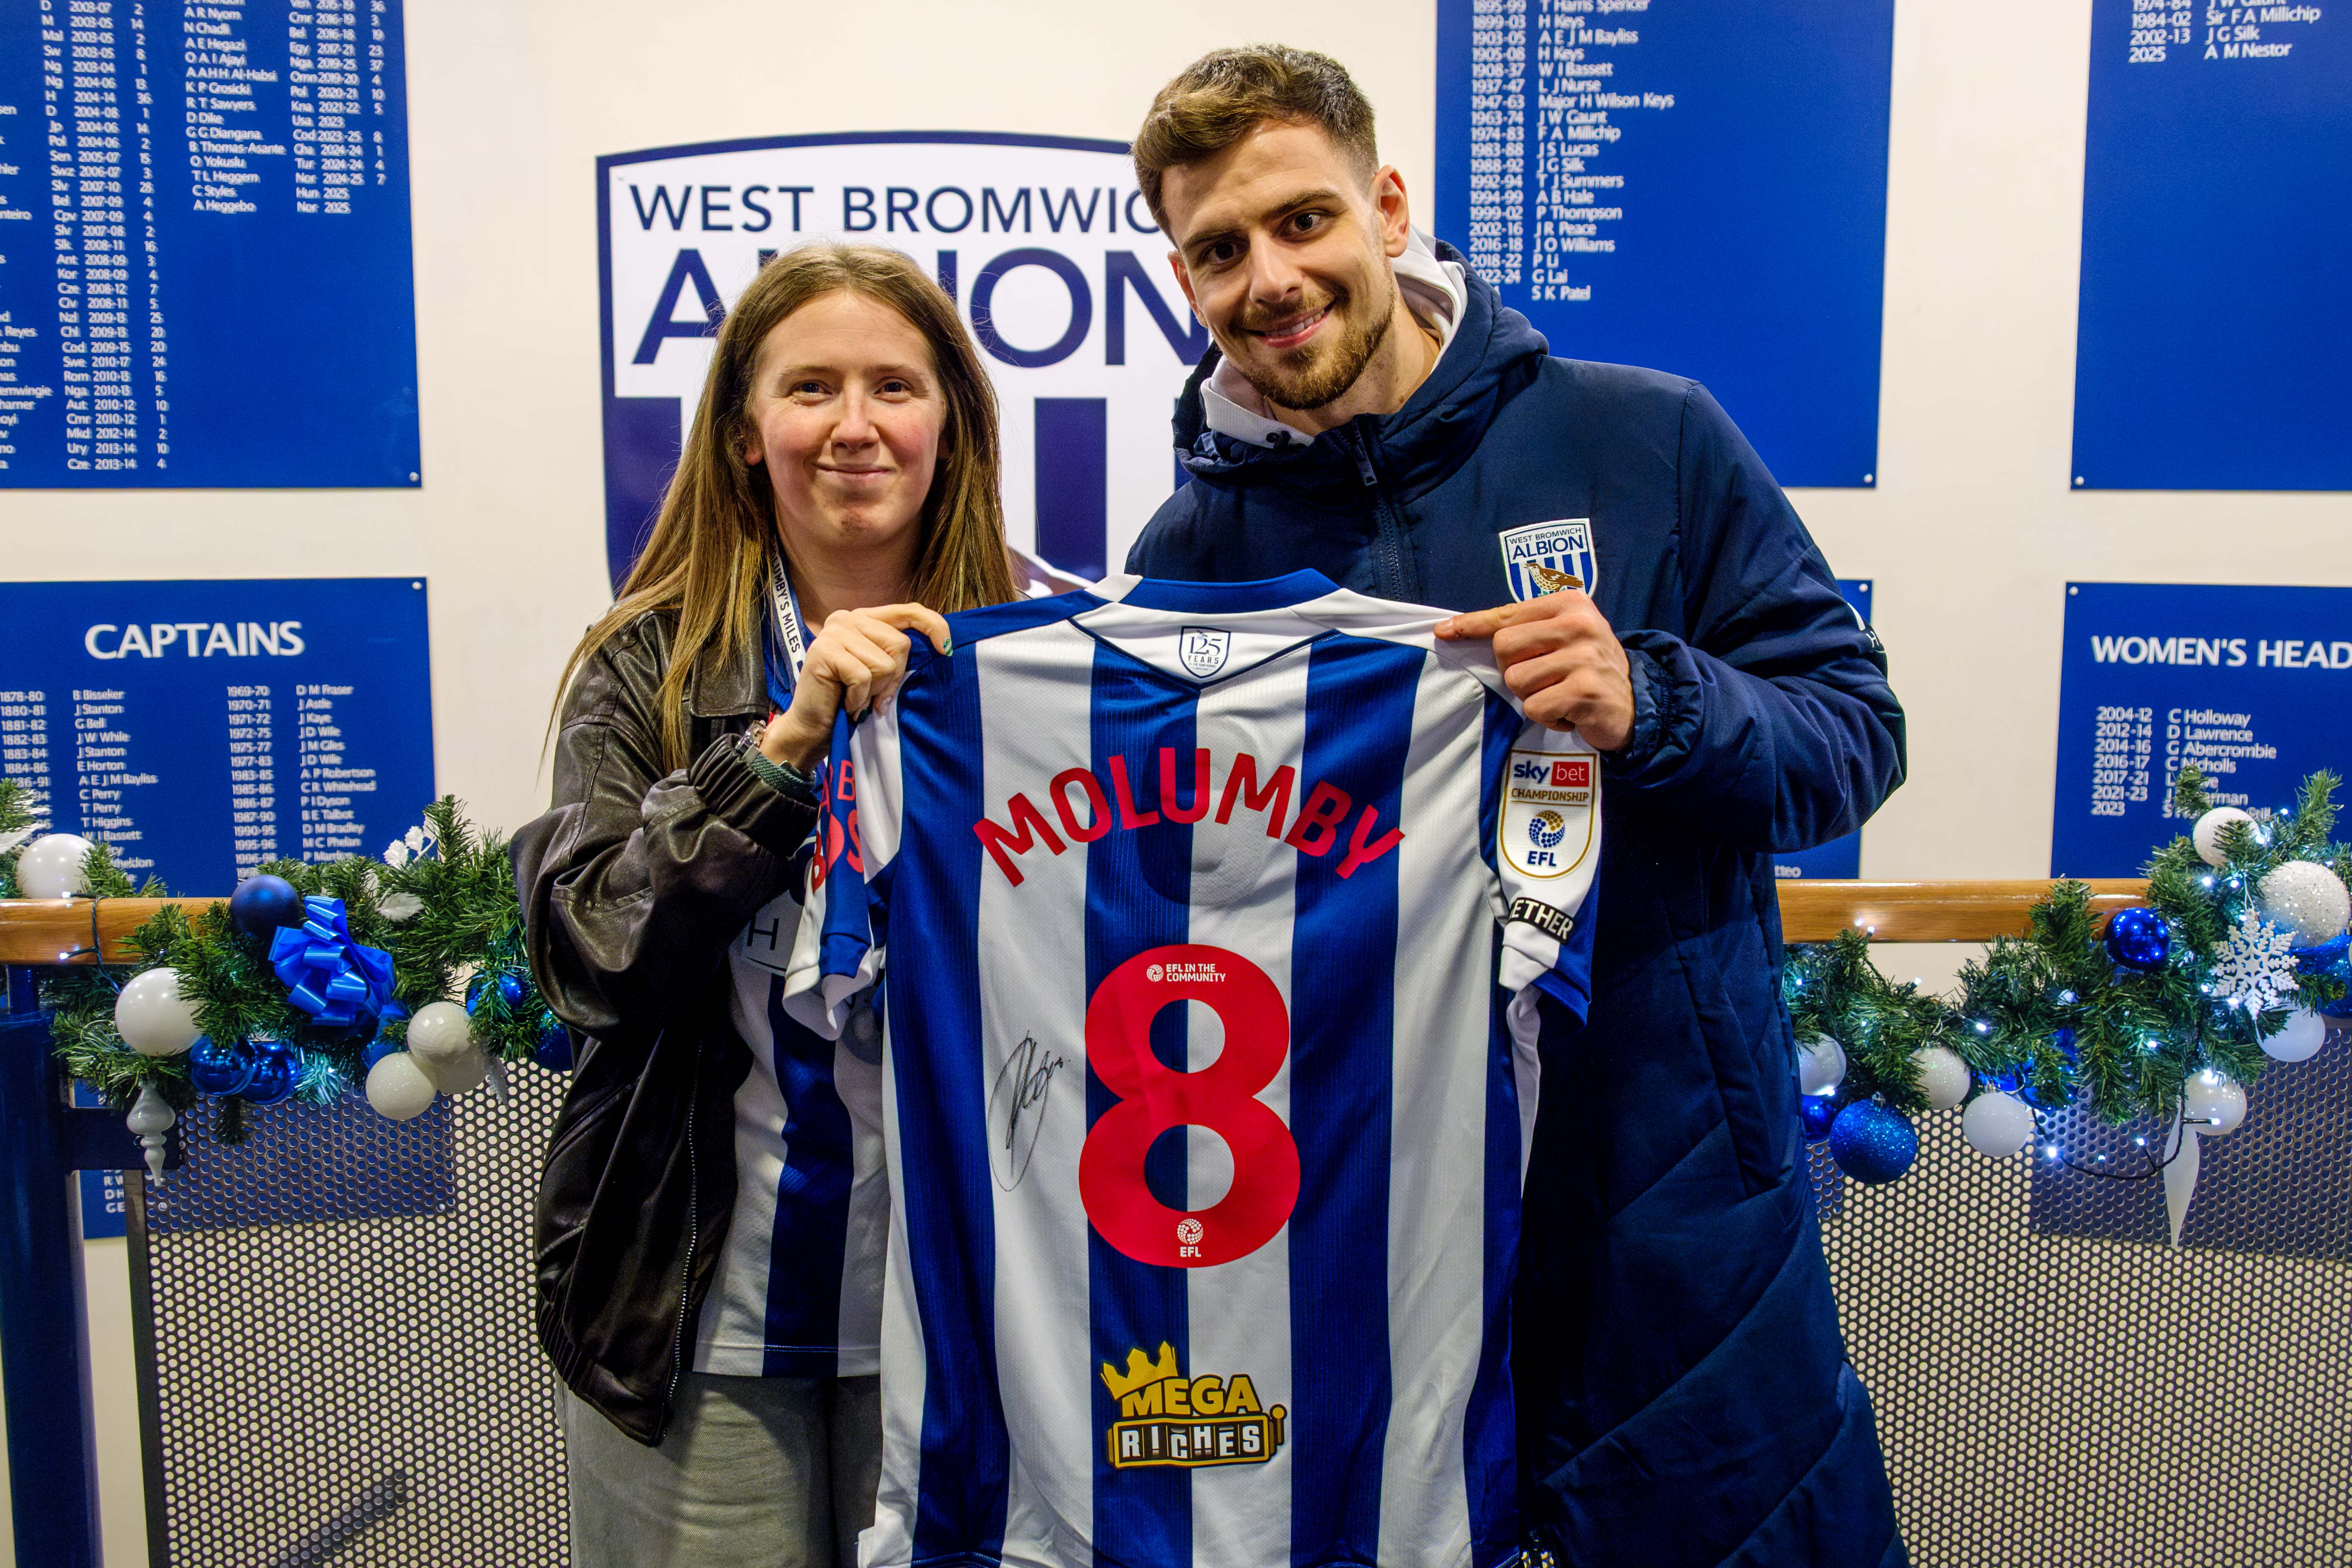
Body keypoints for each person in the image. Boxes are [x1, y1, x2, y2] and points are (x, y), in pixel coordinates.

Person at [1125, 46, 1910, 1568]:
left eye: (1301, 222)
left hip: (1666, 1215)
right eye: (1219, 251)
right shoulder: (1187, 552)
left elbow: (1852, 733)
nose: (1269, 279)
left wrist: (1657, 701)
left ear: (1389, 205)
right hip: (1352, 1228)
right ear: (1182, 277)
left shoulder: (1645, 435)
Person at [512, 242, 1016, 1568]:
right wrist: (780, 748)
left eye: (894, 386)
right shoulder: (650, 659)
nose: (854, 425)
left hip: (968, 1319)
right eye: (810, 388)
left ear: (950, 422)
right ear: (746, 431)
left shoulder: (1038, 654)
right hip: (700, 1323)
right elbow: (591, 953)